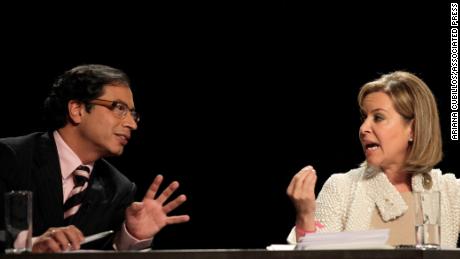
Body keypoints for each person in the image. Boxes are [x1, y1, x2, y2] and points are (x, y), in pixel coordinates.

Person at [0, 64, 190, 253]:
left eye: (133, 115)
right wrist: (28, 245)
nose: (132, 124)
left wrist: (132, 236)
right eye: (119, 108)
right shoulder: (10, 157)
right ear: (77, 110)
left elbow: (103, 251)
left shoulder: (119, 188)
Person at [286, 71, 460, 247]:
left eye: (378, 117)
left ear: (413, 129)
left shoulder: (450, 191)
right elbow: (313, 255)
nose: (363, 128)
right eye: (364, 117)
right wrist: (305, 215)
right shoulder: (341, 188)